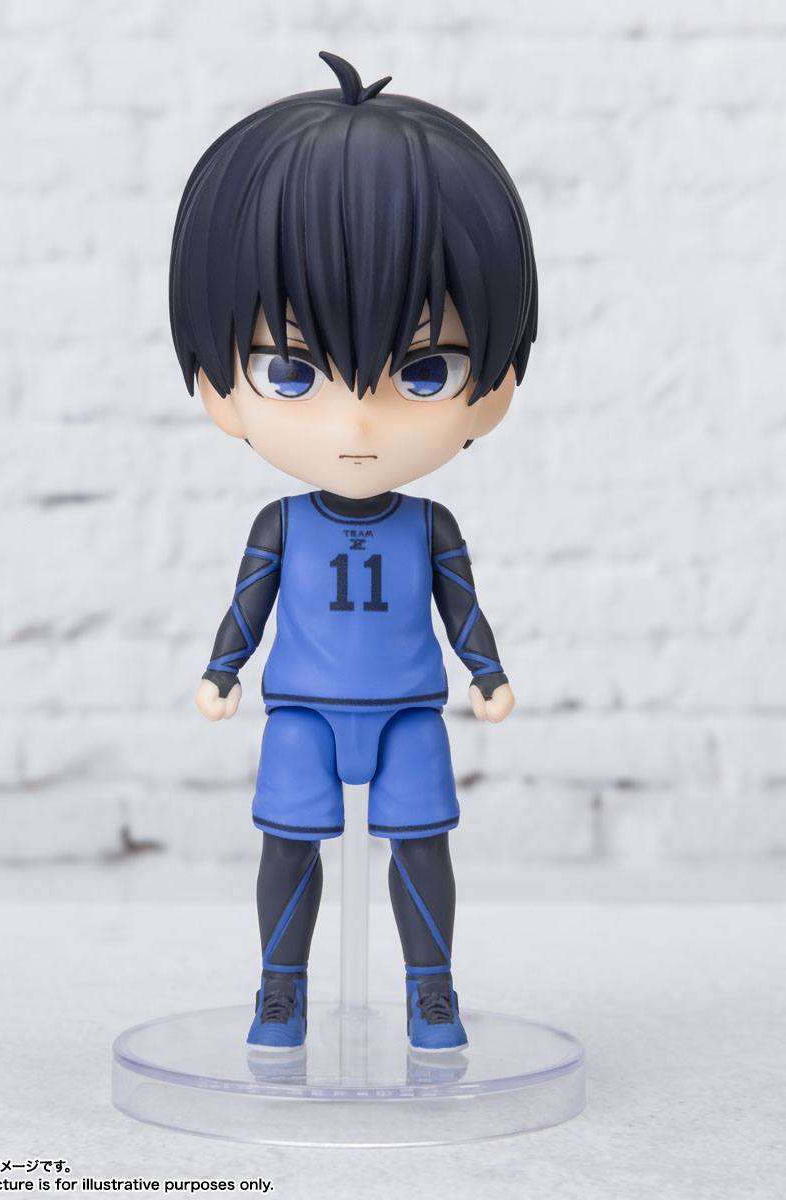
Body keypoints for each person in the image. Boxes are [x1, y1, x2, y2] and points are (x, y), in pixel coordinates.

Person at [169, 50, 537, 1052]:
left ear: (492, 390)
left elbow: (460, 607)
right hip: (301, 710)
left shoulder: (429, 526)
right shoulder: (282, 525)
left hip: (409, 708)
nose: (358, 421)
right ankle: (279, 989)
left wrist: (487, 673)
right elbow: (248, 604)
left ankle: (430, 990)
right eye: (290, 371)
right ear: (219, 391)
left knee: (420, 846)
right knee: (290, 846)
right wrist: (220, 670)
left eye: (424, 370)